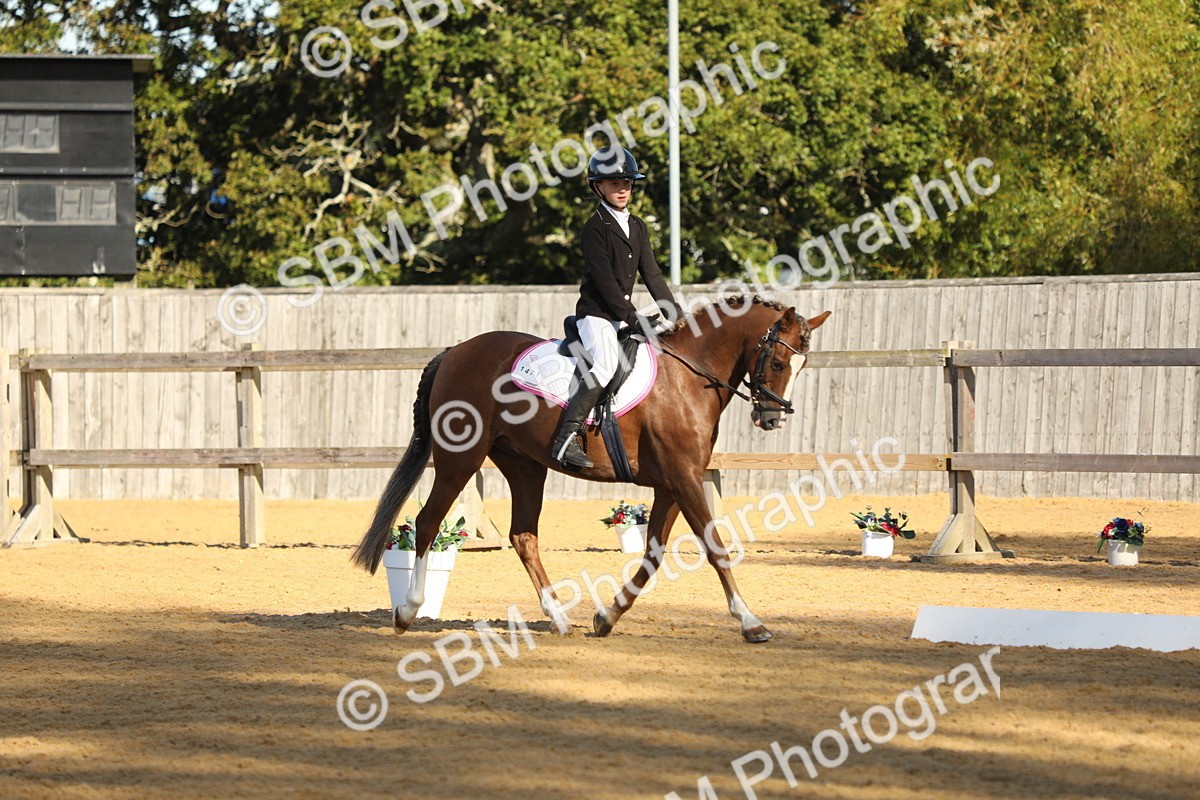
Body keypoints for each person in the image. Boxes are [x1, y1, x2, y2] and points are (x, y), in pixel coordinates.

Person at [550, 146, 683, 470]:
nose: (622, 189)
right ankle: (565, 439)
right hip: (596, 316)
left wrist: (675, 313)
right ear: (598, 187)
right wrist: (633, 318)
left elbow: (650, 273)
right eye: (613, 183)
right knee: (607, 364)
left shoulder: (637, 226)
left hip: (620, 318)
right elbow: (606, 283)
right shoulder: (594, 228)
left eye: (626, 182)